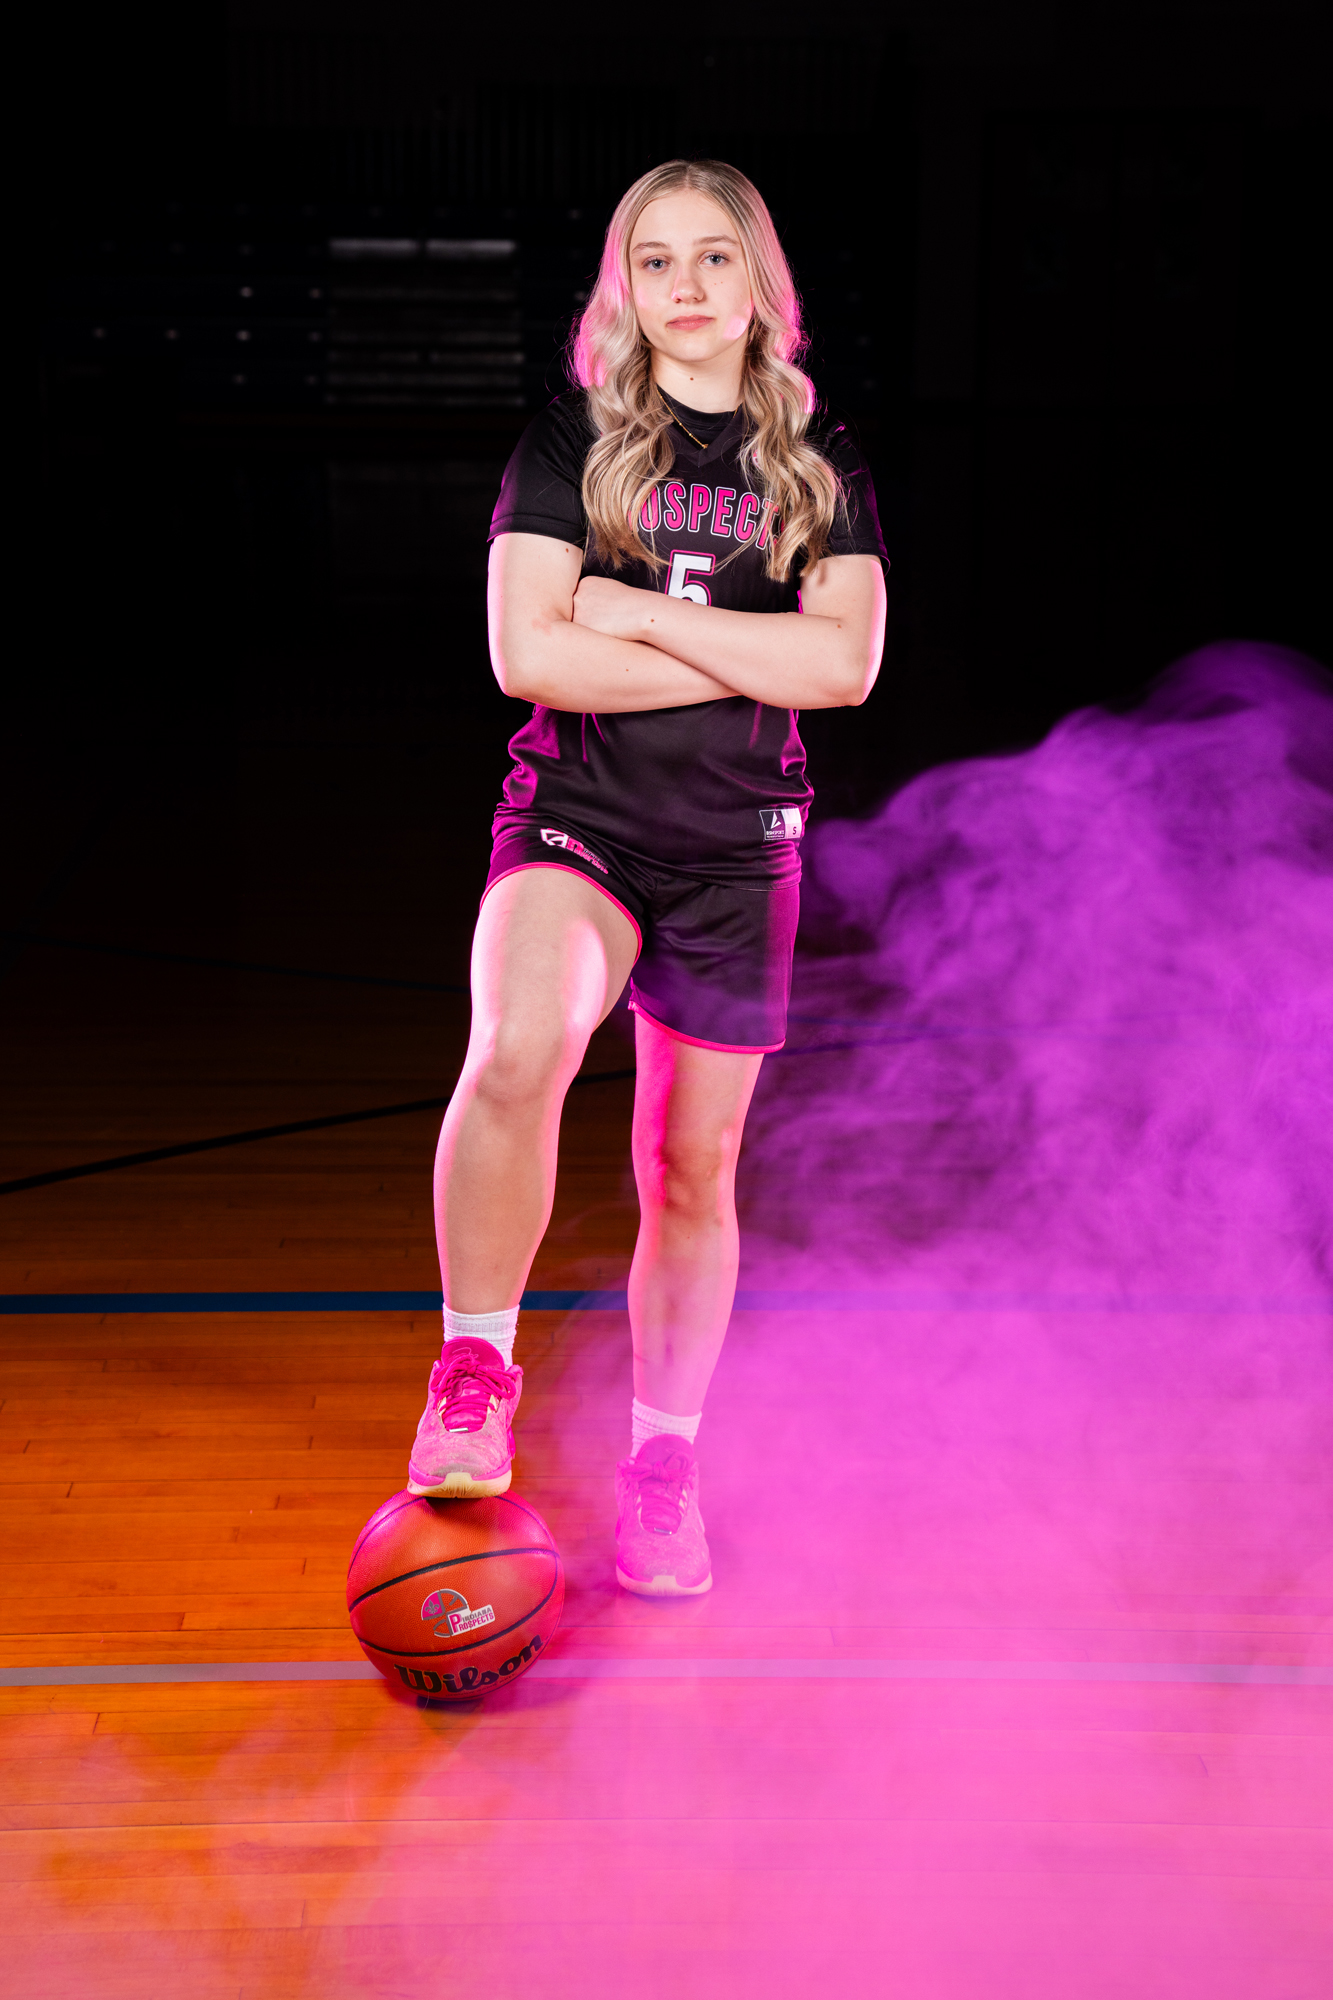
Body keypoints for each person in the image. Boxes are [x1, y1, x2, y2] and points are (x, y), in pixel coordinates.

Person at [407, 158, 887, 1595]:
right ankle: (472, 1374)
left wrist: (626, 609)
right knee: (519, 1046)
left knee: (692, 1167)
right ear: (623, 287)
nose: (686, 286)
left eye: (713, 257)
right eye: (655, 260)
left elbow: (846, 667)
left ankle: (662, 1467)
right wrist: (748, 651)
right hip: (580, 814)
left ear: (760, 283)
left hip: (741, 848)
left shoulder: (816, 462)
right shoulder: (573, 439)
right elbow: (527, 656)